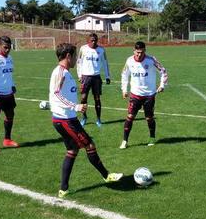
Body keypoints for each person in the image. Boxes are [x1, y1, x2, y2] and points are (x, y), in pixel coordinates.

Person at [49, 43, 122, 198]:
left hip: (62, 119)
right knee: (89, 145)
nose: (76, 59)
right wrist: (75, 106)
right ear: (68, 56)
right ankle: (106, 176)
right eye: (75, 56)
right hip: (66, 120)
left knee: (72, 150)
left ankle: (63, 189)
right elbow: (56, 93)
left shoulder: (64, 72)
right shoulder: (61, 72)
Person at [119, 41, 168, 149]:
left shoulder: (151, 60)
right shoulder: (129, 61)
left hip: (149, 95)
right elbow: (124, 75)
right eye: (137, 52)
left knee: (149, 118)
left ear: (145, 50)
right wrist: (124, 90)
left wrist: (162, 85)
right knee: (130, 117)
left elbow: (163, 71)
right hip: (135, 95)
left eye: (141, 52)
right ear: (134, 51)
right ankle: (125, 141)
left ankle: (152, 138)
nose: (139, 54)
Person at [76, 33, 111, 127]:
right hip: (85, 77)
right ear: (88, 41)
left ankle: (98, 119)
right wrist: (79, 75)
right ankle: (84, 117)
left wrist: (107, 76)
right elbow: (79, 62)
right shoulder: (83, 49)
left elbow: (105, 63)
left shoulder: (101, 50)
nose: (94, 42)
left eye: (95, 40)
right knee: (83, 98)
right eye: (92, 40)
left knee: (97, 99)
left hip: (96, 77)